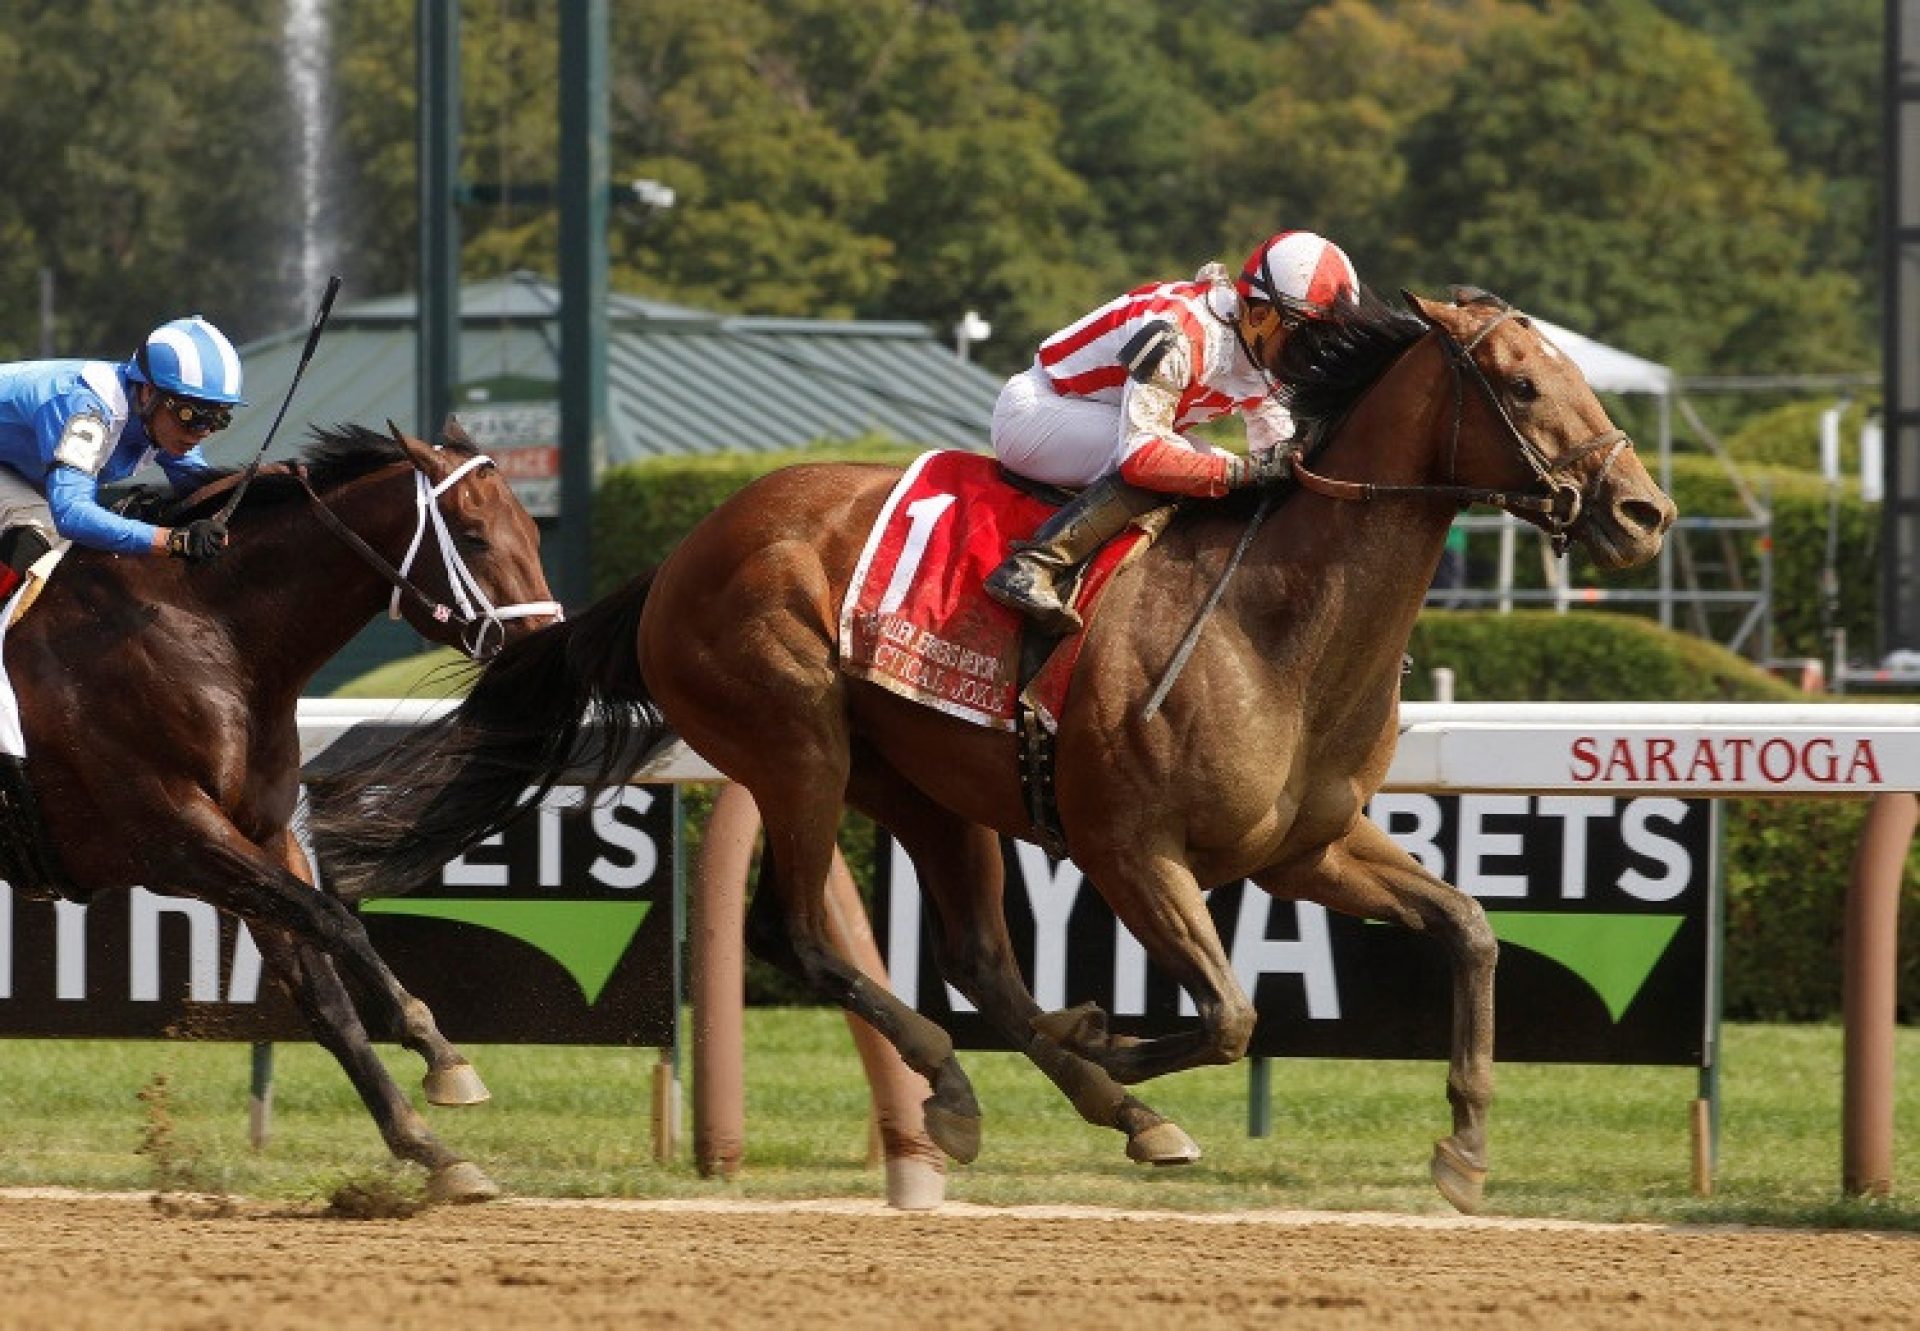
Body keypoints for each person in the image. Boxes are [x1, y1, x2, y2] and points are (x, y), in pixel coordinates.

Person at [983, 230, 1360, 635]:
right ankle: (1033, 565)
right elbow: (1141, 457)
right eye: (1309, 336)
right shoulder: (1179, 332)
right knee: (1184, 463)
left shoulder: (1264, 351)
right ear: (1261, 315)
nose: (1314, 354)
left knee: (1219, 468)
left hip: (1101, 419)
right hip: (1035, 414)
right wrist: (1245, 473)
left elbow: (1278, 456)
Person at [0, 314, 243, 613]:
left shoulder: (161, 422)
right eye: (191, 414)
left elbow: (203, 496)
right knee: (45, 526)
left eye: (219, 418)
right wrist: (171, 540)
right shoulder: (88, 409)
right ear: (148, 392)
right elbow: (72, 514)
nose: (202, 431)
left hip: (10, 467)